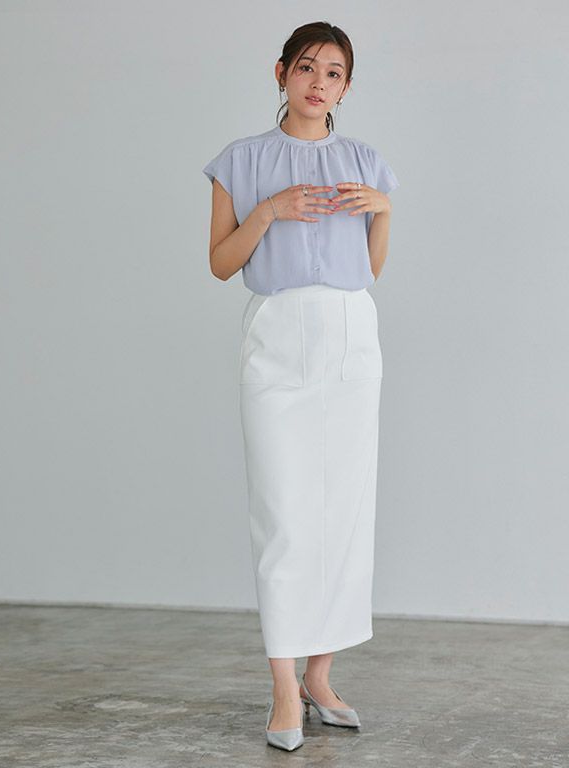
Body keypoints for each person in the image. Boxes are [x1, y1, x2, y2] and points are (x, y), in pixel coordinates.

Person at [202, 21, 399, 752]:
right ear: (281, 72)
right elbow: (221, 263)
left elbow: (371, 267)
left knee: (344, 511)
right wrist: (270, 211)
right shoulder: (242, 160)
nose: (319, 83)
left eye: (334, 73)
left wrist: (385, 211)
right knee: (283, 513)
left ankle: (320, 676)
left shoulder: (366, 161)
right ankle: (283, 686)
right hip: (278, 334)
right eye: (308, 67)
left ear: (346, 87)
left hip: (350, 332)